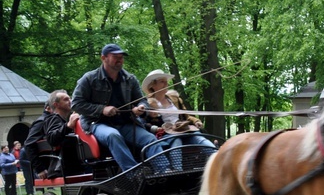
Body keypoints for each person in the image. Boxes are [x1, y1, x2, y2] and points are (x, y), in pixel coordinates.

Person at [71, 43, 164, 173]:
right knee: (113, 135)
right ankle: (134, 174)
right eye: (115, 56)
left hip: (126, 124)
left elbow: (141, 99)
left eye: (121, 57)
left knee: (150, 139)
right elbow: (75, 104)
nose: (120, 59)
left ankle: (165, 171)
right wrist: (102, 109)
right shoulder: (89, 78)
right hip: (98, 123)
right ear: (103, 58)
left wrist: (141, 107)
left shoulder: (130, 79)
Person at [141, 69, 216, 171]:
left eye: (166, 81)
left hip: (183, 129)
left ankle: (219, 159)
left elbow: (186, 116)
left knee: (200, 138)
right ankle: (177, 172)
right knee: (176, 142)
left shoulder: (174, 99)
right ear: (152, 86)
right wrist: (155, 128)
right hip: (166, 133)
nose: (166, 84)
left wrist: (195, 121)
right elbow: (145, 123)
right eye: (162, 82)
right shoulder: (147, 104)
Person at [43, 90, 80, 177]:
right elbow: (52, 138)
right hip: (63, 167)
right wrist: (68, 126)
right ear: (56, 104)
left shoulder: (64, 119)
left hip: (73, 164)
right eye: (66, 99)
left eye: (70, 98)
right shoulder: (53, 118)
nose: (70, 101)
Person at [24, 104, 53, 179]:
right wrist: (40, 168)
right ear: (48, 108)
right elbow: (28, 144)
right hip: (52, 165)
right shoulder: (42, 121)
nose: (69, 102)